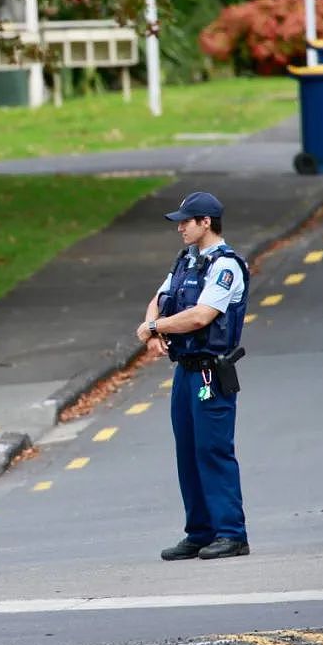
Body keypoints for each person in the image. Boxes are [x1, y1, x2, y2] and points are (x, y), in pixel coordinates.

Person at [135, 191, 250, 561]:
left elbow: (201, 316)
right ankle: (199, 532)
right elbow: (160, 295)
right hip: (184, 372)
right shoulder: (186, 260)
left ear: (206, 223)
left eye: (187, 221)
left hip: (210, 374)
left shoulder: (225, 266)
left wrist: (153, 326)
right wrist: (153, 329)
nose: (180, 227)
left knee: (213, 451)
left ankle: (231, 533)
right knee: (187, 453)